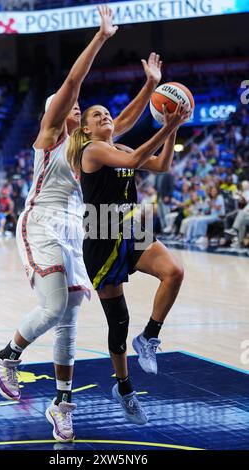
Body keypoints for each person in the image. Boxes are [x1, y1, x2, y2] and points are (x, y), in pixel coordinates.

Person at [0, 5, 162, 442]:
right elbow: (72, 83)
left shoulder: (88, 145)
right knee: (51, 309)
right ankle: (8, 356)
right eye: (75, 106)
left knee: (68, 321)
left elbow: (121, 122)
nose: (79, 107)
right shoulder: (51, 135)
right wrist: (101, 38)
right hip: (41, 222)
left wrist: (149, 87)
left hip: (75, 229)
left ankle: (62, 404)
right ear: (60, 112)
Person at [67, 101, 189, 425]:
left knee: (174, 272)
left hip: (132, 227)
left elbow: (161, 165)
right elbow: (135, 159)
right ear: (87, 129)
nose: (105, 116)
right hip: (101, 234)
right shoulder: (91, 151)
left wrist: (172, 125)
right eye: (97, 115)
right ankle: (124, 388)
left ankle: (149, 336)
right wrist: (165, 126)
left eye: (108, 112)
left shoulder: (119, 146)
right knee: (118, 322)